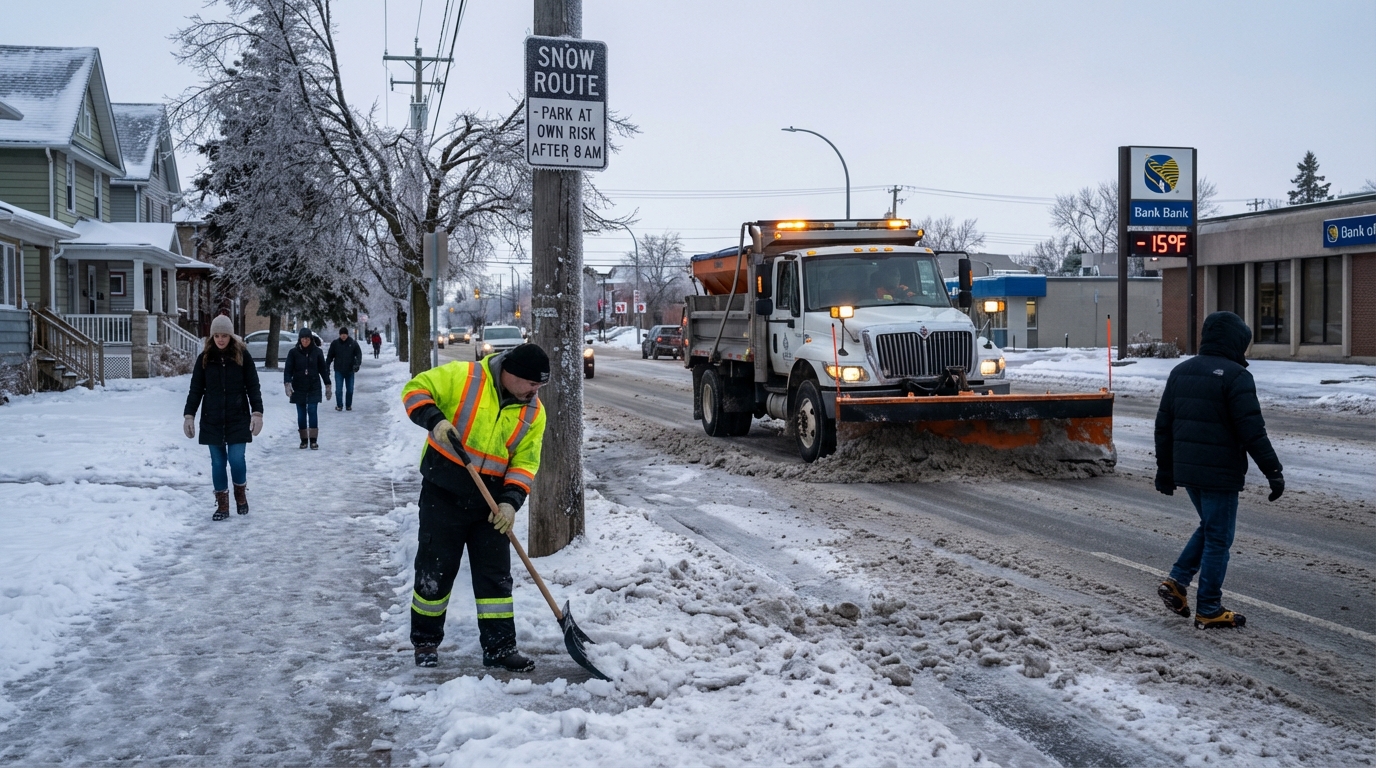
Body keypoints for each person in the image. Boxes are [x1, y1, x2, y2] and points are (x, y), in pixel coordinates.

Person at [399, 343, 549, 671]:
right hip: (444, 492)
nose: (536, 391)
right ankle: (425, 641)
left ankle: (499, 648)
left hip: (491, 504)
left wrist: (510, 504)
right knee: (435, 570)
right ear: (510, 373)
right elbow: (415, 390)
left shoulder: (534, 413)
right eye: (531, 383)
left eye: (541, 385)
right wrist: (434, 420)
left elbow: (525, 463)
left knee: (495, 578)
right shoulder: (464, 377)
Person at [1154, 311, 1284, 630]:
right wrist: (1273, 471)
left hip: (1188, 471)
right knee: (1218, 538)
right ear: (1235, 341)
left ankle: (1177, 582)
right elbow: (1252, 431)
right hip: (1220, 473)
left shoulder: (1181, 371)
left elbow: (1163, 426)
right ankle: (1209, 607)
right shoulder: (1236, 376)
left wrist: (1165, 470)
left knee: (1210, 528)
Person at [183, 314, 263, 521]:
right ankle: (222, 505)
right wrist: (189, 415)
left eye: (224, 335)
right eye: (216, 335)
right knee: (218, 462)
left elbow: (253, 386)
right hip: (212, 418)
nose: (220, 339)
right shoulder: (205, 359)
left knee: (237, 459)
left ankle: (241, 495)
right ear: (212, 337)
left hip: (237, 416)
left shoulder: (242, 356)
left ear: (231, 336)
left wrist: (257, 413)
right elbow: (196, 389)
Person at [284, 327, 331, 450]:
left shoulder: (317, 352)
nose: (305, 341)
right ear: (299, 339)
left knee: (312, 410)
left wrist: (328, 385)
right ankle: (304, 440)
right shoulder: (293, 353)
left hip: (313, 386)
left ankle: (313, 440)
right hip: (298, 387)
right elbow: (288, 369)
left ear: (311, 339)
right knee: (301, 414)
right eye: (303, 339)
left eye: (307, 339)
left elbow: (323, 370)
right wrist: (287, 384)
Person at [326, 326, 363, 411]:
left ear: (347, 335)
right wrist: (327, 366)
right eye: (342, 334)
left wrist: (357, 364)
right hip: (339, 370)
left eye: (345, 334)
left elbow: (358, 354)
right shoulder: (335, 344)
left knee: (350, 390)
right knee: (338, 389)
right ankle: (339, 405)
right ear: (339, 335)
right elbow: (330, 356)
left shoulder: (353, 343)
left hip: (350, 370)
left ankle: (348, 405)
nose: (343, 336)